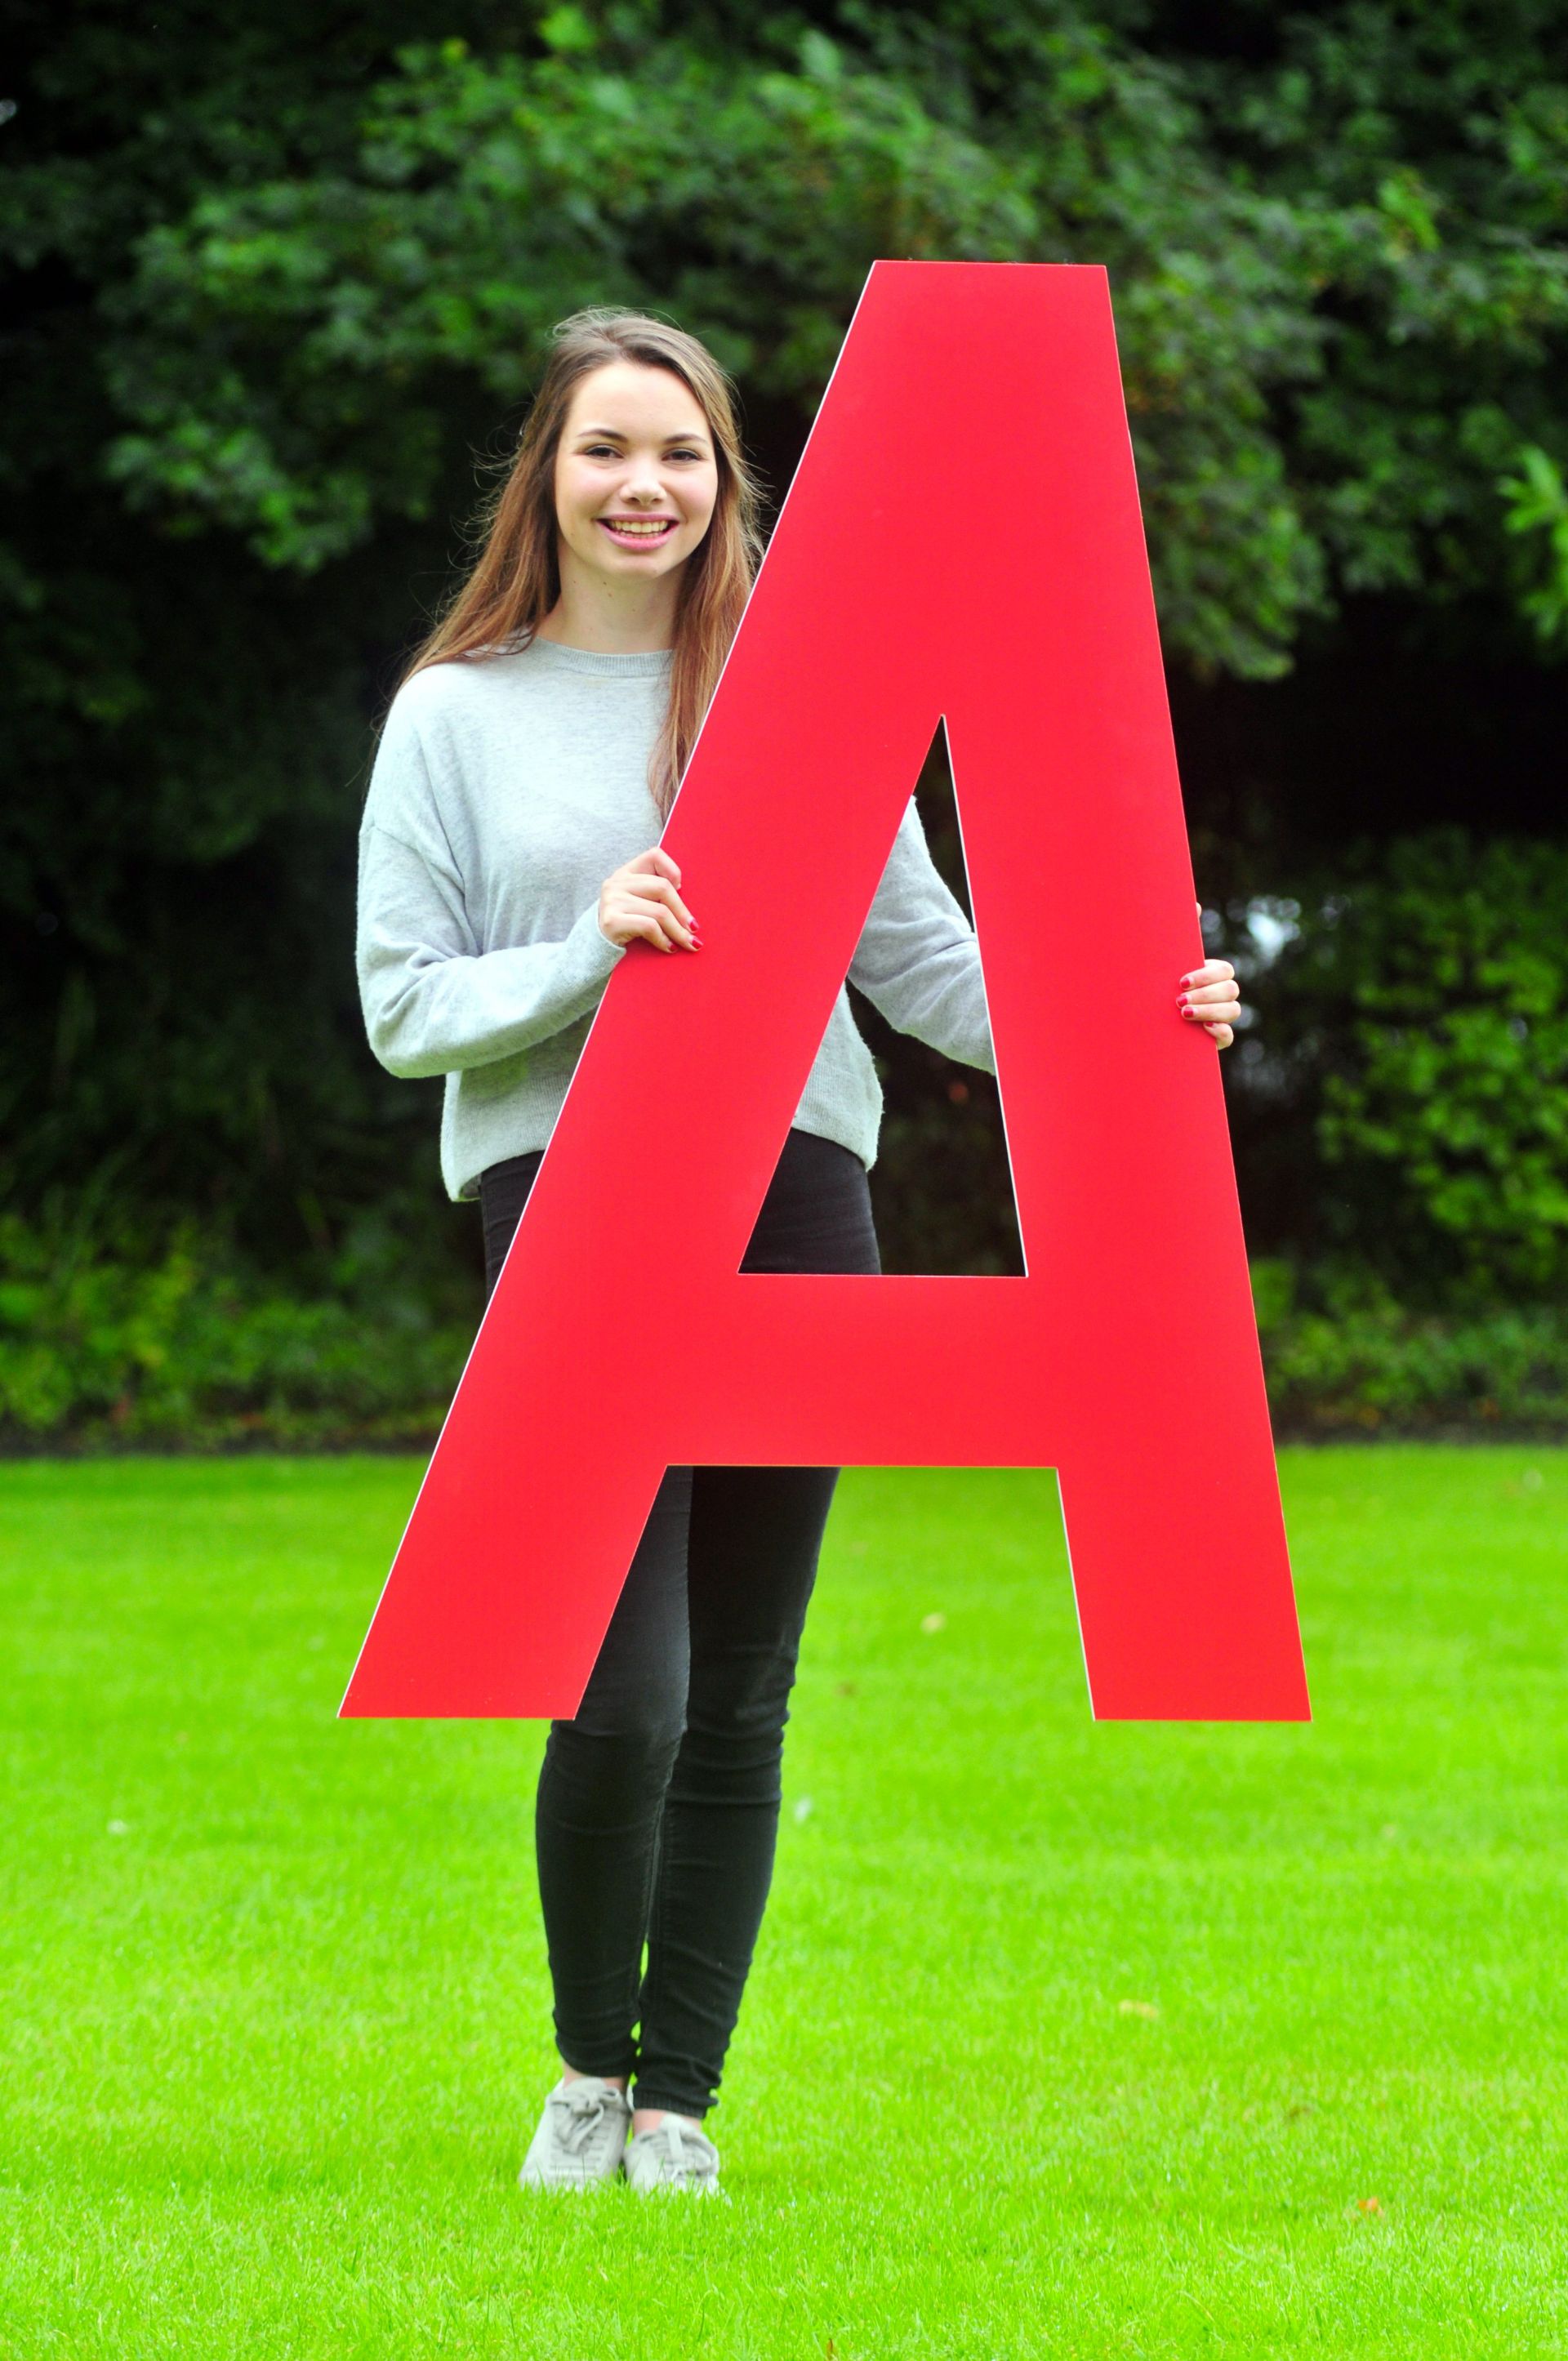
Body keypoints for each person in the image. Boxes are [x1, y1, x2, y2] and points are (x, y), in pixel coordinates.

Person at [355, 307, 1241, 2198]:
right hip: (574, 1204)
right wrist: (592, 948)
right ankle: (587, 2069)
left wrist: (1144, 1024)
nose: (644, 485)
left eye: (679, 453)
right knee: (623, 1684)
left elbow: (923, 966)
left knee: (744, 1683)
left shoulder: (789, 689)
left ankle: (682, 2103)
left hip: (798, 1190)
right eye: (605, 448)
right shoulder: (459, 711)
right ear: (548, 474)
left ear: (726, 480)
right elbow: (402, 1009)